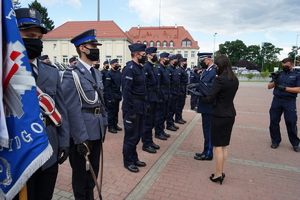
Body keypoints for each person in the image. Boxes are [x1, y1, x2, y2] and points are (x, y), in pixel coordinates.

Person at [14, 8, 69, 200]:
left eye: (38, 37)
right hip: (18, 152)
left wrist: (64, 141)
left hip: (49, 149)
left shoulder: (52, 72)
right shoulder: (6, 72)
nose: (35, 41)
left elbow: (61, 110)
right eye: (29, 35)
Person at [61, 29, 107, 200]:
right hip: (83, 134)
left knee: (93, 172)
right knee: (81, 175)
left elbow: (101, 103)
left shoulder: (96, 72)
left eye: (96, 45)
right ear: (82, 48)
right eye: (92, 45)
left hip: (96, 130)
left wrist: (104, 123)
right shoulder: (71, 74)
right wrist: (80, 138)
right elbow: (71, 109)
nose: (96, 48)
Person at [201, 55, 239, 185]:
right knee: (223, 145)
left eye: (216, 66)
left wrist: (200, 97)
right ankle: (221, 171)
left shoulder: (220, 80)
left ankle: (218, 174)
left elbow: (210, 98)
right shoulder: (234, 79)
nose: (215, 68)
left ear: (220, 65)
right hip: (230, 114)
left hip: (219, 115)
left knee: (217, 146)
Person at [122, 43, 147, 173]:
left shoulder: (140, 68)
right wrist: (130, 111)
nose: (145, 57)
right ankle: (128, 161)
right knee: (131, 136)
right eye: (143, 55)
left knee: (137, 135)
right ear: (136, 54)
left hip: (140, 106)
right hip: (132, 107)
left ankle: (134, 157)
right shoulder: (129, 69)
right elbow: (126, 92)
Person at [268, 57, 300, 152]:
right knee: (274, 121)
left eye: (286, 66)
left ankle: (295, 143)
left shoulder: (297, 75)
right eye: (283, 66)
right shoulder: (279, 74)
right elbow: (269, 87)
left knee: (291, 122)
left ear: (292, 65)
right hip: (277, 100)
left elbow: (298, 89)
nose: (284, 67)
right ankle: (275, 141)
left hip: (289, 101)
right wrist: (275, 81)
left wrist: (285, 88)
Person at [194, 53, 217, 161]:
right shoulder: (206, 71)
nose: (201, 64)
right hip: (204, 102)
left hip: (209, 104)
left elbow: (213, 85)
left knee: (208, 129)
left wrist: (198, 86)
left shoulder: (214, 70)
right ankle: (205, 150)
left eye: (202, 62)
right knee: (206, 128)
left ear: (208, 60)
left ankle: (208, 152)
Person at [141, 47, 160, 154]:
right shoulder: (145, 68)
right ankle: (146, 143)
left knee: (152, 121)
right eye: (154, 54)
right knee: (147, 122)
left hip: (154, 97)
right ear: (148, 55)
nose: (155, 56)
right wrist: (146, 100)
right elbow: (144, 85)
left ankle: (150, 140)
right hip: (149, 98)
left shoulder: (153, 67)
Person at [154, 53, 171, 140]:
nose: (168, 59)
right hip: (161, 94)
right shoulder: (158, 69)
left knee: (165, 114)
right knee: (159, 115)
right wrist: (159, 97)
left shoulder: (166, 69)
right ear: (162, 59)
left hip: (166, 94)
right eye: (167, 58)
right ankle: (158, 132)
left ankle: (162, 130)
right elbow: (158, 84)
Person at [105, 59, 122, 133]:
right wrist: (110, 97)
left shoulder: (118, 73)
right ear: (111, 65)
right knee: (111, 111)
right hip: (111, 94)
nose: (117, 65)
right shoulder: (109, 74)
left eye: (117, 64)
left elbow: (120, 85)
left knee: (116, 111)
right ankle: (110, 126)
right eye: (115, 64)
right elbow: (107, 87)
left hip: (117, 94)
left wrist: (120, 94)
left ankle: (115, 124)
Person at [166, 55, 180, 131]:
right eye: (175, 60)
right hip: (172, 91)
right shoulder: (168, 69)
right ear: (171, 61)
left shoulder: (175, 69)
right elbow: (169, 82)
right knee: (170, 109)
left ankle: (172, 122)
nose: (176, 61)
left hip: (176, 91)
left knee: (174, 108)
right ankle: (169, 123)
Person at [175, 58, 188, 124]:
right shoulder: (179, 70)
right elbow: (178, 81)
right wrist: (179, 91)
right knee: (179, 104)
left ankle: (180, 117)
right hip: (181, 88)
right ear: (181, 63)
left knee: (182, 104)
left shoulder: (183, 70)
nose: (185, 63)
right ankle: (178, 118)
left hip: (184, 87)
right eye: (184, 62)